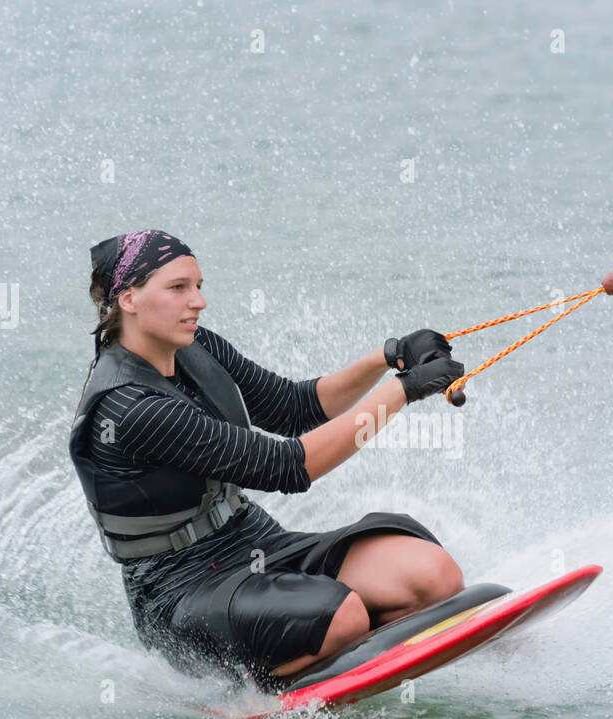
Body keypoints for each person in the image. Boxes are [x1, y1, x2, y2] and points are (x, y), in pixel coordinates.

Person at [68, 229, 469, 691]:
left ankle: (324, 649)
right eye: (178, 288)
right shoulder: (130, 407)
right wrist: (401, 392)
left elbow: (293, 408)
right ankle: (254, 690)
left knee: (434, 576)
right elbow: (290, 466)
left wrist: (389, 356)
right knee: (342, 618)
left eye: (198, 286)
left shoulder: (197, 348)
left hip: (252, 544)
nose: (197, 301)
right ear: (129, 299)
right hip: (178, 590)